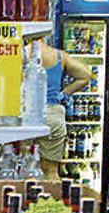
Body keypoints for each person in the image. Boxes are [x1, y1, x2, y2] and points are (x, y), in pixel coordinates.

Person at [37, 37, 94, 180]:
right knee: (50, 171)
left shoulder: (19, 54)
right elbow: (86, 75)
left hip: (25, 114)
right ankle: (50, 201)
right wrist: (62, 95)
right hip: (53, 114)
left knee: (23, 168)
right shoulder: (58, 56)